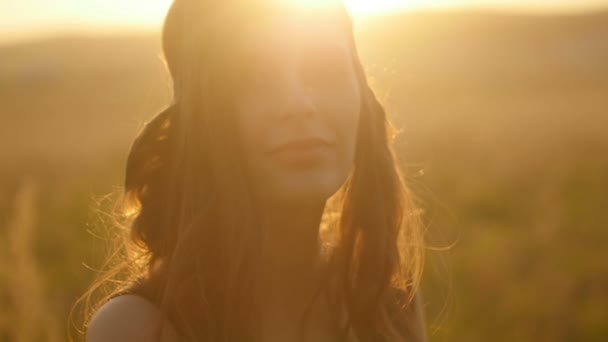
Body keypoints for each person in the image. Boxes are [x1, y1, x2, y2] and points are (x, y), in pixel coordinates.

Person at [81, 0, 427, 341]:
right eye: (255, 78)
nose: (299, 104)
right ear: (203, 121)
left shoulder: (385, 306)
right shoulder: (141, 327)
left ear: (362, 100)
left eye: (326, 71)